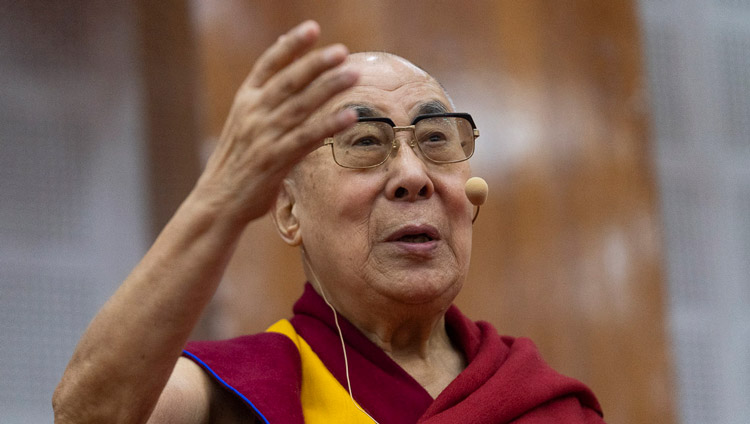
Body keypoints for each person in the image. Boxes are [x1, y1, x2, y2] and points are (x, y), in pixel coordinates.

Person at [52, 21, 604, 424]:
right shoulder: (245, 390)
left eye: (436, 140)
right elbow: (87, 417)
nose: (413, 176)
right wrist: (217, 202)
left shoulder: (539, 402)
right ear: (289, 212)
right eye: (366, 143)